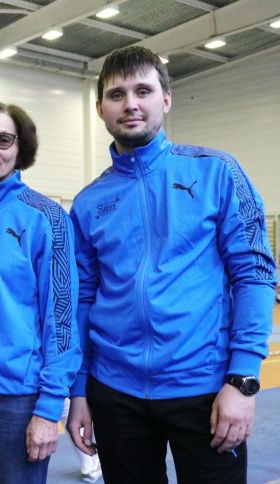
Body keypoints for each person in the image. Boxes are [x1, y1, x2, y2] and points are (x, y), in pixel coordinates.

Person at [67, 46, 277, 484]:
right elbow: (83, 298)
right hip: (115, 393)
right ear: (100, 108)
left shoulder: (218, 173)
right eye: (117, 94)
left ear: (166, 99)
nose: (130, 104)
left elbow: (254, 274)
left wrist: (242, 380)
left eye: (142, 91)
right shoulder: (88, 202)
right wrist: (80, 390)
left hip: (205, 388)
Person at [0, 100, 82, 483]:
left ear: (20, 148)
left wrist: (49, 408)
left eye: (2, 139)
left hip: (17, 398)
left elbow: (61, 317)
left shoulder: (46, 218)